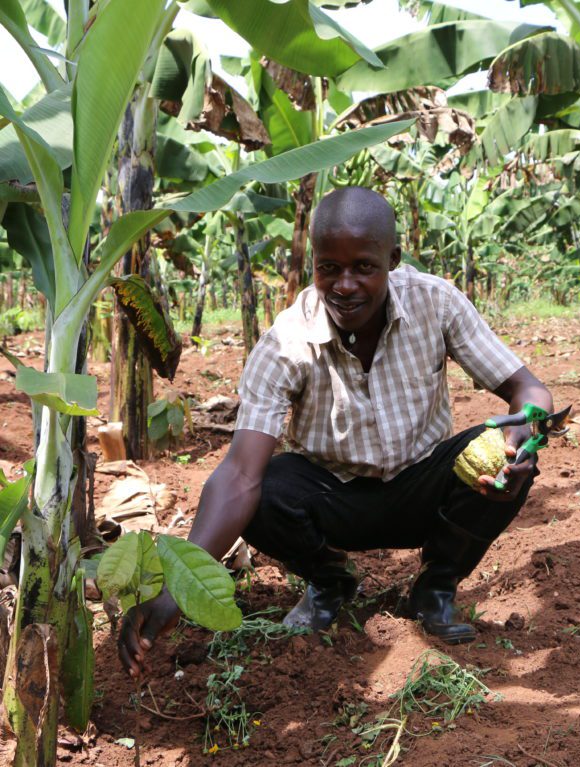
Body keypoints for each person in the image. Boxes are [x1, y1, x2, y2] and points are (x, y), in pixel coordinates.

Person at [118, 186, 554, 677]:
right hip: (334, 497)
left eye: (364, 267)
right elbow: (239, 474)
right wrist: (179, 584)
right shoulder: (286, 342)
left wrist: (523, 438)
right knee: (262, 490)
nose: (345, 285)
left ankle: (437, 585)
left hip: (424, 489)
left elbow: (528, 390)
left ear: (392, 258)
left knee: (501, 454)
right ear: (314, 266)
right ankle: (330, 581)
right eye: (330, 268)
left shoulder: (436, 302)